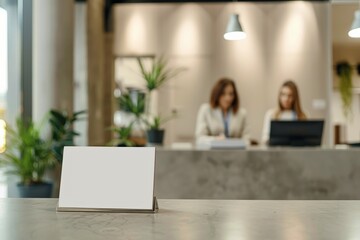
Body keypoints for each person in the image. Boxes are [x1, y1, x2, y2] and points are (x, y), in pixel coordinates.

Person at [195, 77, 250, 145]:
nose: (228, 98)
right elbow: (200, 138)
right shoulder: (206, 110)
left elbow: (246, 140)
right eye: (223, 94)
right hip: (211, 153)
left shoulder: (242, 113)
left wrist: (232, 143)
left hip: (236, 153)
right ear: (217, 94)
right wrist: (215, 139)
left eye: (231, 94)